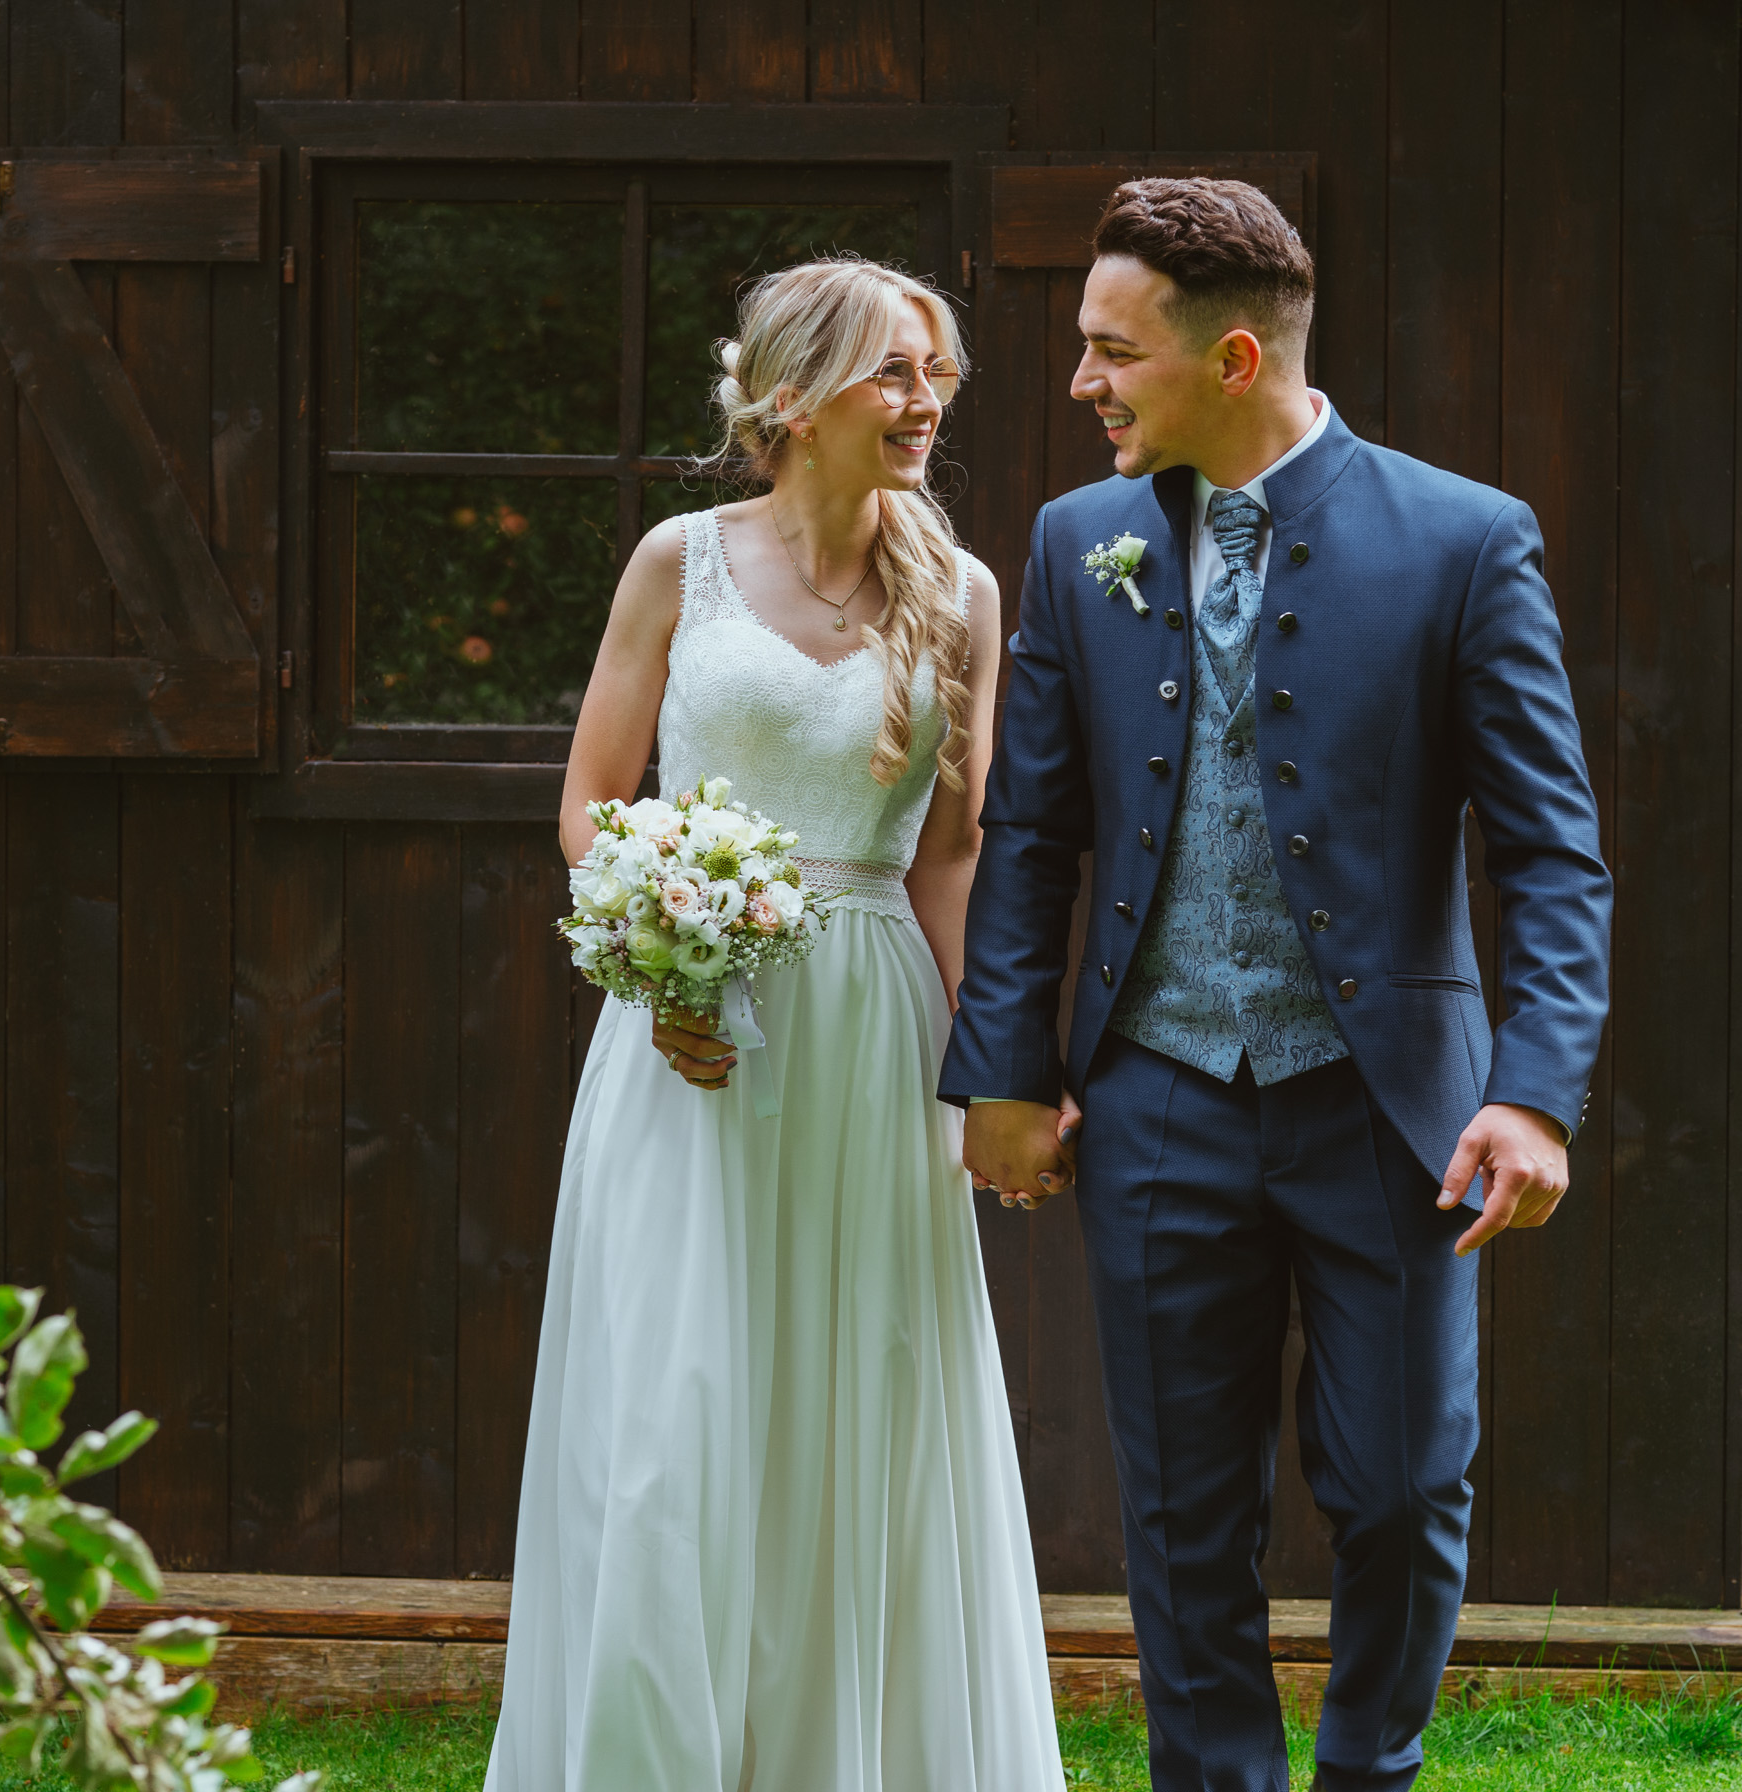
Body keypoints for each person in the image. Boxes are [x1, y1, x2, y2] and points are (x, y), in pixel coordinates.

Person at [943, 178, 1612, 1792]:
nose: (1086, 382)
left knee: (1398, 1483)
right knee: (1180, 1501)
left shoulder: (1465, 540)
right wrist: (1004, 1073)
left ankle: (1368, 1767)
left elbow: (1553, 851)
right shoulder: (1075, 542)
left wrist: (1531, 1092)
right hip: (1160, 1092)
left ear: (1233, 358)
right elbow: (1030, 831)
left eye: (1114, 352)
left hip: (1388, 1111)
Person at [487, 257, 1066, 1791]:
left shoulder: (965, 594)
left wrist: (993, 1069)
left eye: (938, 375)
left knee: (862, 1404)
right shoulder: (677, 563)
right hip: (691, 1033)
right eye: (895, 373)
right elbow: (594, 805)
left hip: (873, 1031)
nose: (927, 402)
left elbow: (953, 853)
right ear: (794, 400)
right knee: (675, 1419)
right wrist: (667, 964)